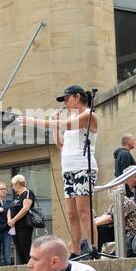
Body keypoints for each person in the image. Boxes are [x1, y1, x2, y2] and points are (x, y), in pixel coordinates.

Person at [20, 85, 99, 257]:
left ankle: (93, 250)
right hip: (68, 168)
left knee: (84, 212)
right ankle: (76, 250)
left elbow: (66, 124)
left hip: (83, 167)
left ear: (77, 97)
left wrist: (35, 121)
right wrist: (55, 126)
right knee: (72, 214)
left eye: (67, 98)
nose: (65, 103)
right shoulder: (71, 117)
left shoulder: (88, 115)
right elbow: (59, 144)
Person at [93, 185, 136, 257]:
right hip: (120, 230)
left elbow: (112, 217)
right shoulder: (113, 204)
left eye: (114, 190)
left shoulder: (126, 202)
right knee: (98, 229)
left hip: (130, 234)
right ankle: (92, 252)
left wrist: (95, 223)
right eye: (111, 190)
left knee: (100, 230)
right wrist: (93, 222)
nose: (111, 193)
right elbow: (105, 216)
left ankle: (96, 255)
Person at [6, 173, 39, 265]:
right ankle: (22, 266)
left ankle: (30, 265)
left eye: (13, 185)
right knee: (18, 247)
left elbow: (25, 208)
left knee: (25, 246)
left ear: (17, 183)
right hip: (14, 226)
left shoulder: (28, 193)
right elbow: (10, 209)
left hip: (24, 225)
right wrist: (9, 219)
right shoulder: (16, 196)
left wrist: (14, 220)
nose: (12, 187)